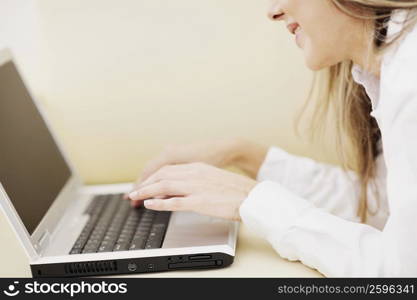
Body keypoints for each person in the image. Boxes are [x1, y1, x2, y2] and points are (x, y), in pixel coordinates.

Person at [128, 0, 417, 276]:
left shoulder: (409, 77)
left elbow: (400, 276)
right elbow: (383, 206)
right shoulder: (391, 70)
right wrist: (241, 154)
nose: (273, 11)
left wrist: (252, 200)